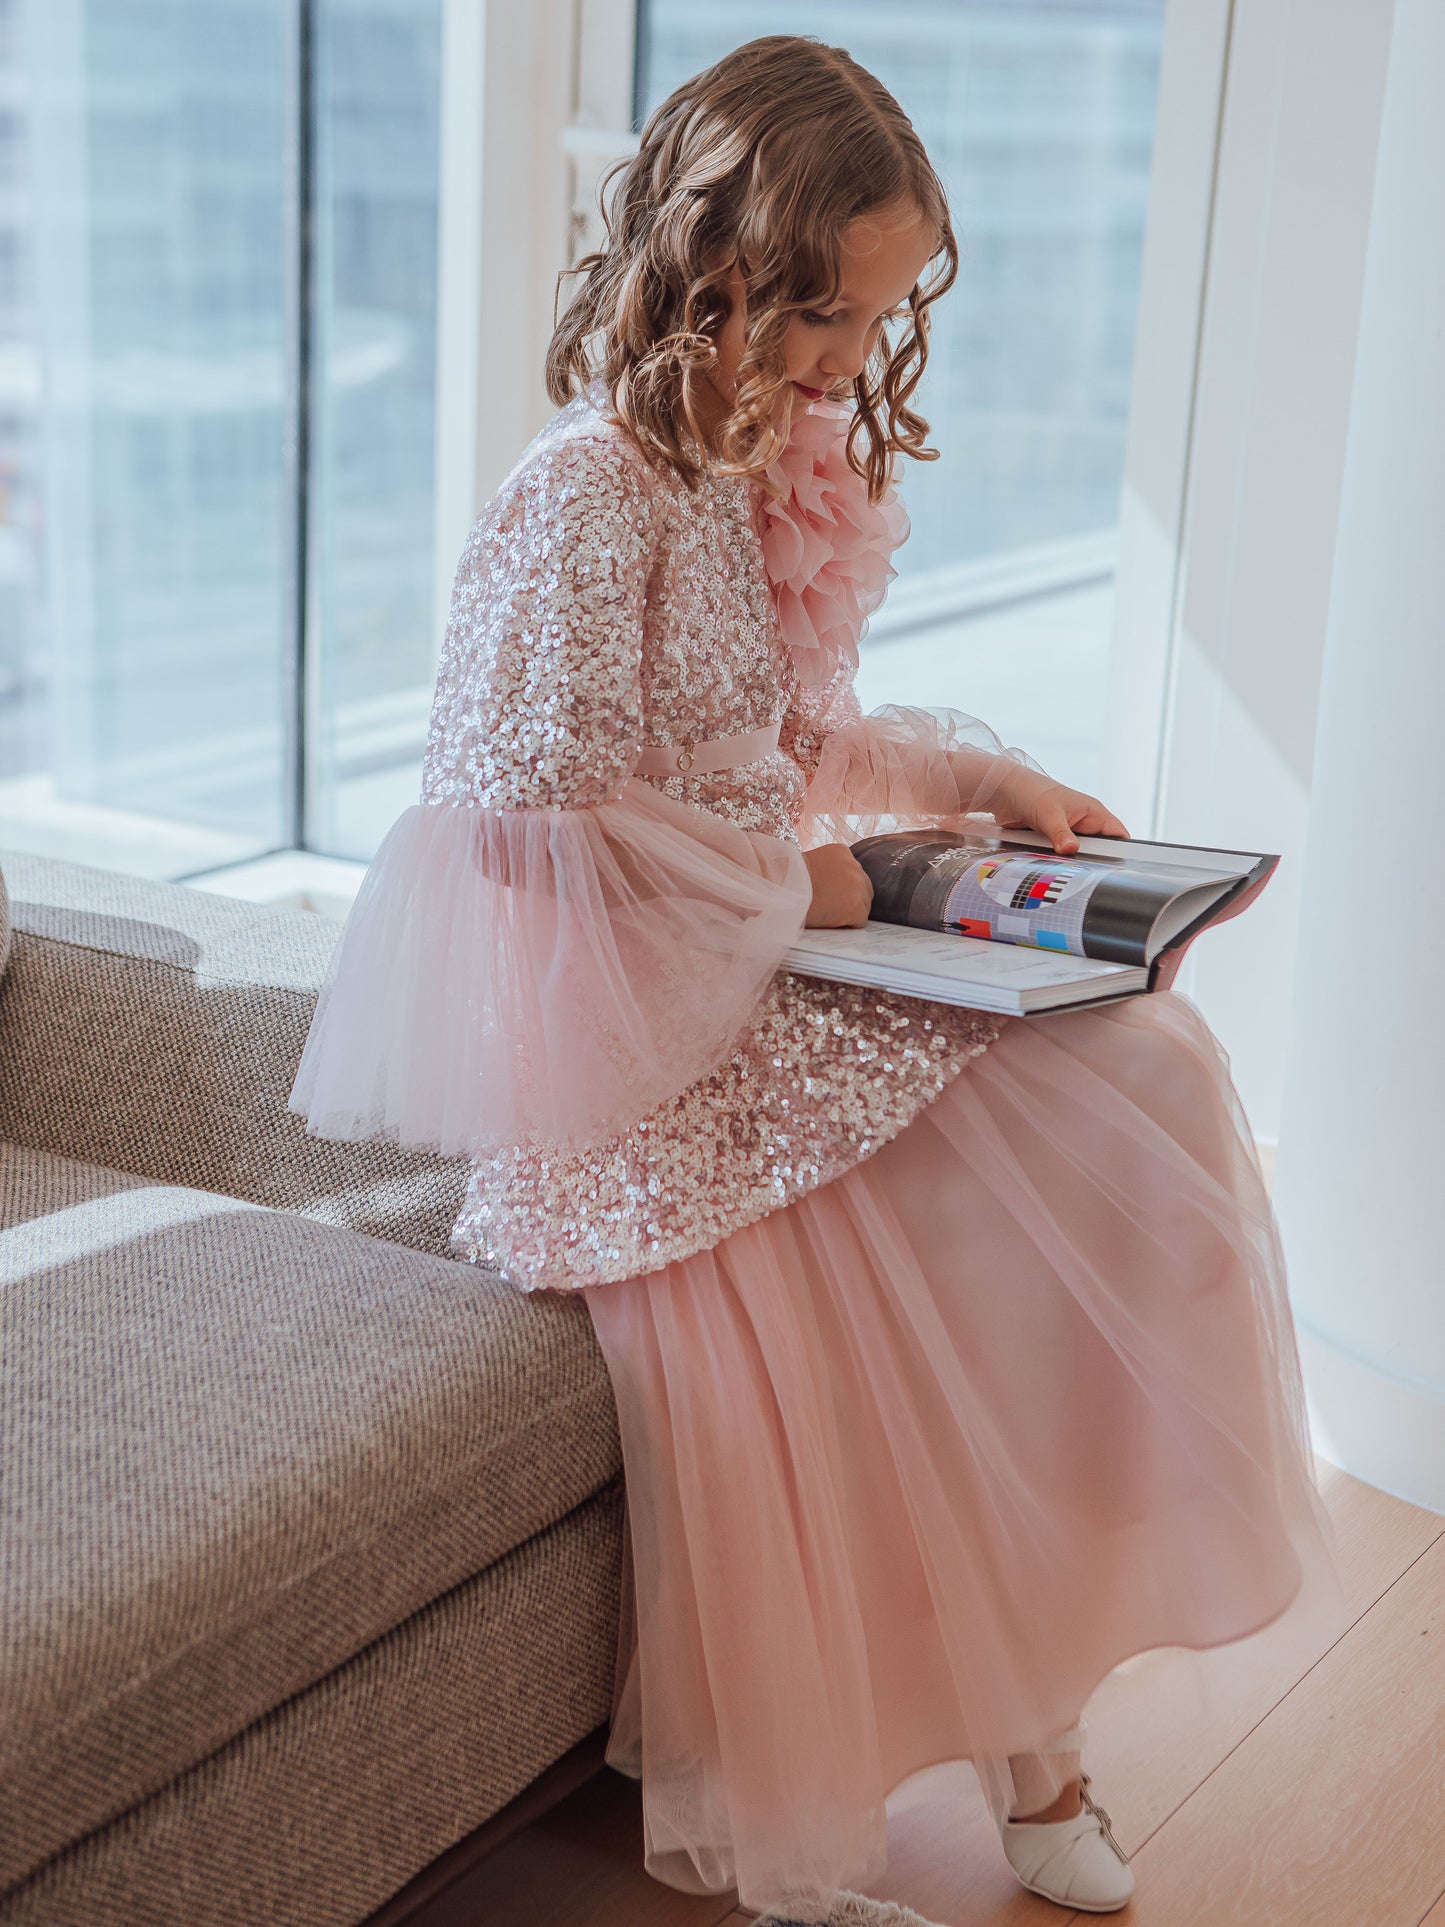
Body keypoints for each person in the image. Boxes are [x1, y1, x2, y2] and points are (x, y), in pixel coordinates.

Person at [289, 35, 1344, 1927]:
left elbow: (774, 744)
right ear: (717, 268)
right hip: (636, 1058)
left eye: (873, 313)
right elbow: (538, 842)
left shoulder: (734, 467)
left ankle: (1044, 1731)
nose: (852, 359)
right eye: (824, 312)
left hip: (754, 974)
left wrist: (962, 788)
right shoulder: (584, 495)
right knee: (880, 1285)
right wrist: (808, 888)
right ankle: (928, 1792)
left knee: (1152, 1071)